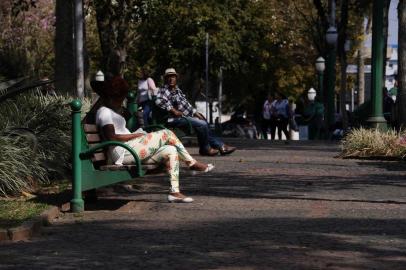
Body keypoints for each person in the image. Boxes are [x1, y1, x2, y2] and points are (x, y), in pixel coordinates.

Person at [93, 75, 214, 203]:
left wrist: (137, 134)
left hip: (128, 148)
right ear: (111, 97)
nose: (122, 101)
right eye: (120, 98)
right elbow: (111, 137)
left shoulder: (112, 111)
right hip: (121, 152)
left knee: (170, 150)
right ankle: (191, 163)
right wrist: (136, 136)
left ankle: (174, 192)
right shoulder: (104, 112)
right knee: (166, 134)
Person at [155, 68, 236, 156]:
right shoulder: (164, 89)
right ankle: (208, 148)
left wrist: (196, 113)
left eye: (173, 76)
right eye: (169, 77)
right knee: (202, 124)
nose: (171, 79)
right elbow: (158, 100)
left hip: (182, 118)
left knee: (203, 122)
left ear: (176, 78)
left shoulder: (177, 90)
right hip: (172, 120)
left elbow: (186, 104)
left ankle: (216, 147)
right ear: (165, 79)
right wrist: (172, 109)